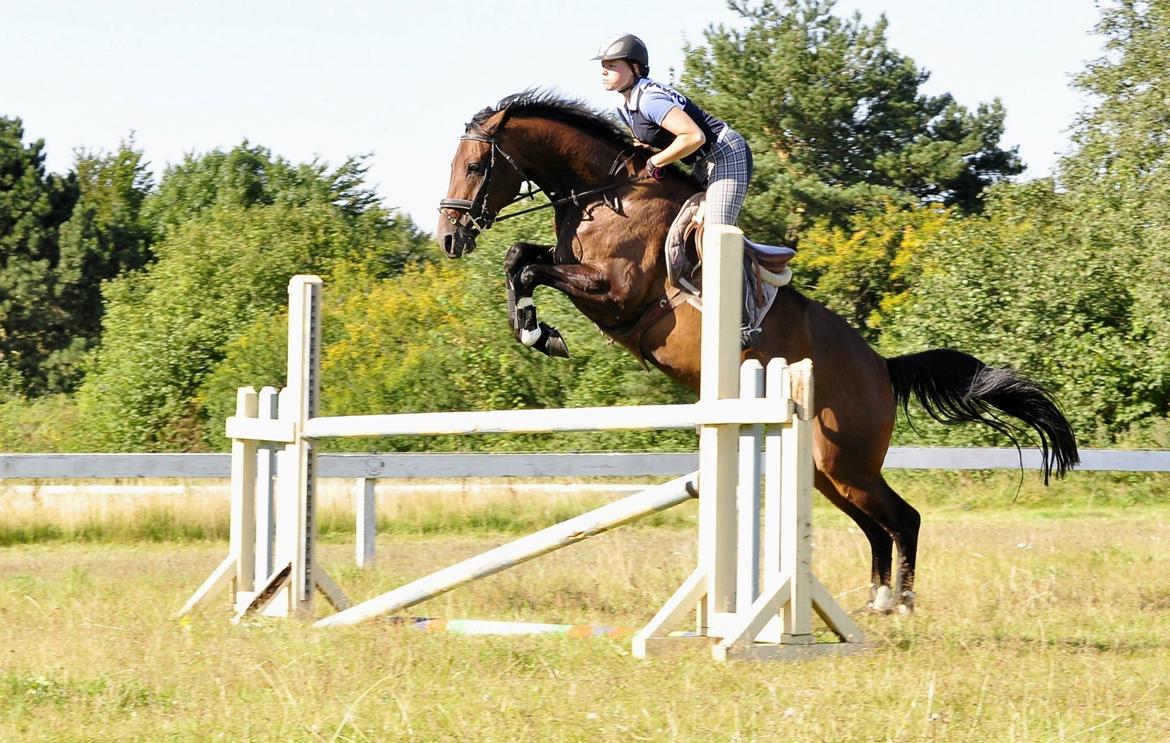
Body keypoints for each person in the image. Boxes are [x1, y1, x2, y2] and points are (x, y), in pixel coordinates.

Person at [593, 33, 753, 228]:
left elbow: (694, 137)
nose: (603, 71)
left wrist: (656, 161)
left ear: (634, 68)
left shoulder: (649, 100)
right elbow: (644, 143)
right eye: (603, 65)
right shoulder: (624, 106)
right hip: (702, 162)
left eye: (612, 65)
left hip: (726, 154)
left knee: (715, 228)